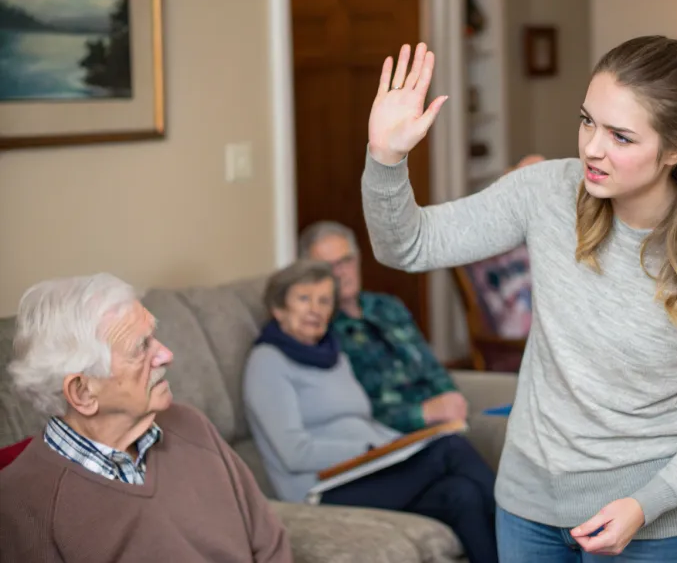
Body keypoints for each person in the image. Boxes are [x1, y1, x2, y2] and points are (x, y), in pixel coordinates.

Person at [359, 38, 677, 562]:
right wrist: (386, 157)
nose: (591, 149)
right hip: (528, 509)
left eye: (621, 136)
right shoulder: (546, 193)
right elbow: (408, 245)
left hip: (655, 524)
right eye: (587, 121)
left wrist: (644, 505)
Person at [0, 274, 292, 563]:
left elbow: (269, 542)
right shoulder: (25, 503)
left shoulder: (191, 425)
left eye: (154, 337)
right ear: (83, 393)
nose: (166, 354)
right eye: (141, 348)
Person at [243, 259, 498, 563]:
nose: (315, 309)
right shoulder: (267, 362)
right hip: (322, 488)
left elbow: (365, 420)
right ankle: (531, 535)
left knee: (462, 494)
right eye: (303, 298)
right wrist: (369, 449)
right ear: (278, 308)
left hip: (369, 469)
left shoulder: (333, 356)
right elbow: (293, 451)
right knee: (450, 450)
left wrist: (403, 444)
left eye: (324, 300)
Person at [297, 220, 469, 433]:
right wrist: (421, 413)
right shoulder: (317, 330)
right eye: (328, 267)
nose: (340, 272)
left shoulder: (388, 306)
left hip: (442, 424)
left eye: (346, 260)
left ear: (358, 259)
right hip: (390, 437)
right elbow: (349, 412)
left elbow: (432, 368)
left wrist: (452, 398)